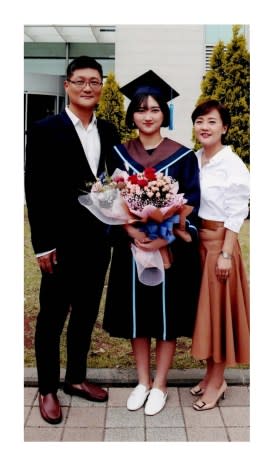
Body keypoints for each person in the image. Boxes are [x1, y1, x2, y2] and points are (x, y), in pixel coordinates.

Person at [24, 56, 120, 424]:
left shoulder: (108, 130)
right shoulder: (45, 128)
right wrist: (43, 244)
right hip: (60, 243)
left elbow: (115, 181)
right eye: (80, 81)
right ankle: (47, 387)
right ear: (67, 86)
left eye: (94, 81)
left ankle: (76, 378)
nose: (88, 87)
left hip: (98, 241)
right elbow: (36, 189)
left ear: (101, 86)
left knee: (85, 313)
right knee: (51, 316)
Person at [102, 70, 201, 416]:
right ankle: (142, 381)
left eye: (155, 109)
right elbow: (109, 196)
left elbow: (191, 203)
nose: (147, 115)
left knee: (166, 315)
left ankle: (160, 383)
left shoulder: (183, 156)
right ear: (133, 114)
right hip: (131, 249)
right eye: (141, 109)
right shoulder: (118, 154)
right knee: (137, 315)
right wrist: (128, 229)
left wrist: (163, 236)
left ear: (165, 114)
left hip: (167, 249)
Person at [189, 100, 250, 410]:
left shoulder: (233, 164)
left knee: (220, 315)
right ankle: (209, 375)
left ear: (224, 127)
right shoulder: (196, 159)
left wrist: (226, 253)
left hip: (219, 245)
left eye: (211, 121)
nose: (205, 127)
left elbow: (237, 212)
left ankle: (217, 381)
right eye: (200, 121)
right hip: (197, 240)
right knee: (206, 314)